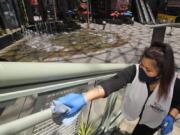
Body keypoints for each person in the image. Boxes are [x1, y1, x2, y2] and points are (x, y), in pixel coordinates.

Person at [52, 42, 180, 135]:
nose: (142, 70)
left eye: (148, 70)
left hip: (154, 117)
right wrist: (84, 97)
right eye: (142, 65)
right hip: (136, 109)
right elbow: (111, 84)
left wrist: (172, 116)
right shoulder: (135, 71)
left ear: (161, 73)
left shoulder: (174, 84)